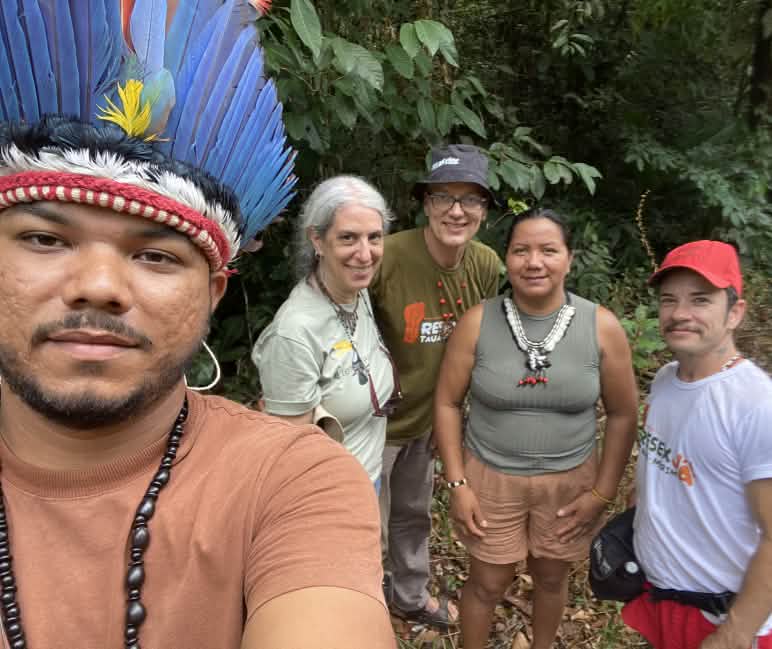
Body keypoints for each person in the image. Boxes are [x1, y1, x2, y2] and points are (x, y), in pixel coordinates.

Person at [0, 3, 394, 648]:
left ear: (212, 293)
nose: (98, 287)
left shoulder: (292, 482)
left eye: (155, 255)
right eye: (45, 239)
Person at [433, 208, 639, 649]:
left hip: (570, 481)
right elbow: (447, 402)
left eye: (549, 250)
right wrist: (458, 483)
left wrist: (602, 492)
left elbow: (623, 414)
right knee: (487, 582)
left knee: (550, 576)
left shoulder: (600, 326)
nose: (534, 262)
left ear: (569, 258)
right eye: (521, 250)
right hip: (491, 476)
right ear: (506, 258)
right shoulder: (477, 322)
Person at [370, 143, 501, 627]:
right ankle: (358, 610)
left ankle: (408, 595)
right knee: (367, 526)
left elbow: (482, 343)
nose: (456, 210)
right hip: (376, 419)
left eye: (471, 200)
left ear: (484, 212)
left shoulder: (485, 265)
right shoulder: (389, 256)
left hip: (430, 418)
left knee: (413, 513)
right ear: (426, 204)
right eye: (444, 197)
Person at [622, 240, 772, 649]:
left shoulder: (756, 405)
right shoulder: (667, 380)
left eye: (700, 300)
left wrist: (737, 632)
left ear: (735, 313)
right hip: (663, 600)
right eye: (669, 300)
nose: (680, 314)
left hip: (722, 618)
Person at [252, 176, 400, 489]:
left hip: (367, 478)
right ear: (317, 241)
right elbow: (288, 454)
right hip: (328, 497)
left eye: (374, 237)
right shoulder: (294, 332)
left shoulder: (355, 293)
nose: (365, 254)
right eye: (348, 238)